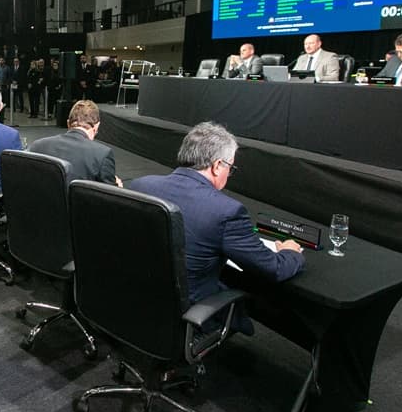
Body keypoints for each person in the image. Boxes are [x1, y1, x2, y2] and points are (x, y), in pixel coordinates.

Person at [128, 122, 304, 328]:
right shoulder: (227, 211)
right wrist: (291, 252)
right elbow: (274, 269)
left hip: (138, 295)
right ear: (217, 165)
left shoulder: (140, 185)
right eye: (230, 168)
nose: (228, 175)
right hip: (186, 312)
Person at [29, 100, 122, 186]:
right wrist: (118, 188)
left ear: (68, 123)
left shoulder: (37, 146)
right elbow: (108, 199)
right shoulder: (103, 154)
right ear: (97, 126)